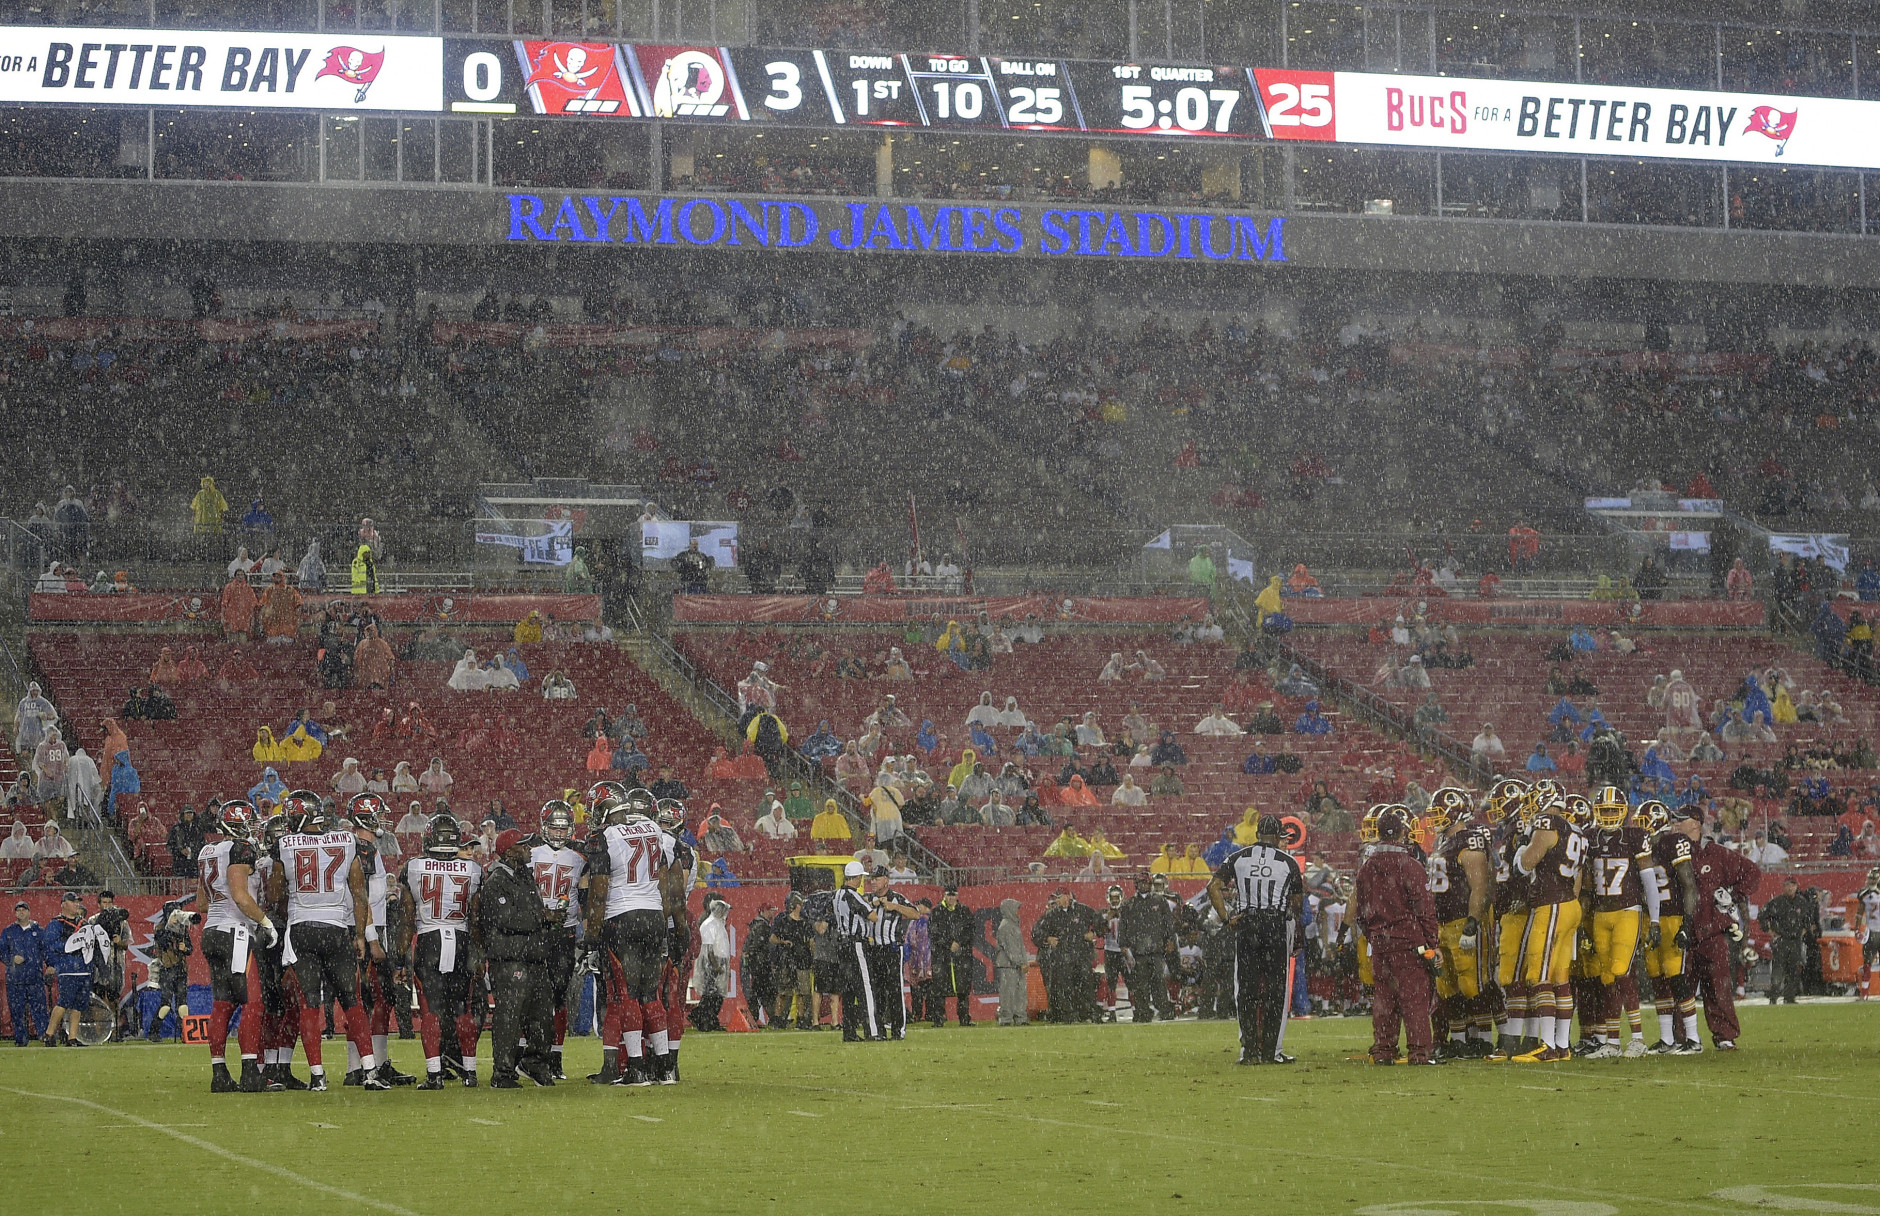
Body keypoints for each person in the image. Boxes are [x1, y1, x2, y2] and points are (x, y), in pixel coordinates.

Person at [268, 793, 387, 1089]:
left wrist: (295, 908)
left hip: (302, 928)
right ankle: (370, 1071)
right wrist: (360, 934)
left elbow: (274, 896)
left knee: (310, 1004)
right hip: (336, 929)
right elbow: (359, 894)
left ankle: (318, 1076)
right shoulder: (347, 841)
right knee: (353, 1001)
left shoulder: (284, 845)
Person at [584, 790, 685, 1085]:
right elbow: (666, 883)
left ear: (604, 813)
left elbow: (599, 892)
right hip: (654, 915)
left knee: (626, 995)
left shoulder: (606, 838)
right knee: (651, 994)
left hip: (622, 918)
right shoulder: (654, 829)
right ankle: (665, 1068)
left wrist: (592, 933)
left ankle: (637, 1068)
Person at [194, 801, 280, 1091]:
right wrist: (266, 923)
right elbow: (241, 898)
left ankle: (219, 1074)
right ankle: (249, 1072)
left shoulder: (207, 850)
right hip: (235, 933)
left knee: (222, 1005)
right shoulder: (239, 849)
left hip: (212, 932)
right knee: (253, 1004)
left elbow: (202, 902)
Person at [1353, 806, 1440, 1065]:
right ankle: (1419, 1053)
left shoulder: (1367, 867)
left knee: (1384, 1001)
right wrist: (1432, 944)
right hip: (1410, 943)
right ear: (1402, 833)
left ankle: (1383, 1050)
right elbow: (1424, 908)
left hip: (1381, 943)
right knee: (1415, 1001)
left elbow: (1360, 910)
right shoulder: (1410, 865)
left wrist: (1374, 936)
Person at [476, 829, 557, 1087]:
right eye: (523, 845)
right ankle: (502, 1072)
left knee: (543, 1015)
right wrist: (542, 917)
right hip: (510, 959)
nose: (529, 849)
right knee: (509, 1017)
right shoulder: (495, 881)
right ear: (510, 851)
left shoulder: (523, 876)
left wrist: (546, 918)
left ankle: (534, 1063)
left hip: (533, 956)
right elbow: (505, 919)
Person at [1031, 888, 1099, 1024]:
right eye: (1060, 898)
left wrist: (1094, 932)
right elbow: (1035, 934)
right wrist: (1047, 938)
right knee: (1065, 988)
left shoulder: (1082, 910)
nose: (1062, 900)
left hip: (1082, 957)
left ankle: (1087, 1014)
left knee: (1085, 986)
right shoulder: (1051, 915)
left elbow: (1100, 921)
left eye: (1064, 897)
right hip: (1062, 959)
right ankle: (1069, 1016)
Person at [1118, 872, 1177, 1023]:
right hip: (1138, 951)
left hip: (1156, 949)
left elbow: (1168, 923)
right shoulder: (1128, 904)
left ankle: (1163, 1009)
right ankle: (1143, 1011)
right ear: (1136, 885)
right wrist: (1123, 945)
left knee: (1158, 980)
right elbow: (1122, 927)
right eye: (1142, 882)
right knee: (1140, 984)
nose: (1144, 885)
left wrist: (1170, 940)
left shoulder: (1160, 901)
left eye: (1147, 882)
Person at [1758, 877, 1813, 1006]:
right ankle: (1774, 997)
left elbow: (1808, 920)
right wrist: (1770, 931)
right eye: (1788, 885)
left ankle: (1789, 997)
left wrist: (1802, 932)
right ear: (1783, 887)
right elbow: (1762, 916)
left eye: (1793, 885)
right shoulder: (1776, 902)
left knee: (1793, 969)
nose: (1790, 888)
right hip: (1781, 939)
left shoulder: (1802, 902)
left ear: (1796, 886)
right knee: (1778, 969)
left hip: (1795, 940)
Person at [927, 886, 975, 1027]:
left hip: (961, 957)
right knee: (939, 989)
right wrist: (948, 944)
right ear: (944, 895)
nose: (951, 898)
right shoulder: (936, 912)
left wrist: (959, 943)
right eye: (949, 895)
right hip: (942, 956)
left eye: (953, 895)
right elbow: (933, 933)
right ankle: (938, 1018)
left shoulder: (964, 911)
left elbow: (971, 930)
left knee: (963, 989)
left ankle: (964, 1018)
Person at [3, 900, 49, 1047]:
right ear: (15, 913)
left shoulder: (39, 931)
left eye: (23, 910)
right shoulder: (8, 931)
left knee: (40, 1009)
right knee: (17, 1011)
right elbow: (1, 950)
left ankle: (44, 1035)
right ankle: (21, 1039)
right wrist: (11, 959)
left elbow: (46, 951)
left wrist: (50, 966)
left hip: (35, 978)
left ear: (29, 912)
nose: (21, 912)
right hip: (15, 979)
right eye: (18, 910)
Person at [994, 898, 1029, 1026]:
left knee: (1018, 993)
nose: (1018, 912)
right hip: (1009, 966)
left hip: (1014, 966)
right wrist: (1021, 962)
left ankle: (1019, 1017)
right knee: (1008, 994)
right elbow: (1012, 949)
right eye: (1016, 909)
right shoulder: (1007, 927)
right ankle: (1007, 1018)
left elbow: (1016, 948)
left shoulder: (1011, 925)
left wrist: (1022, 962)